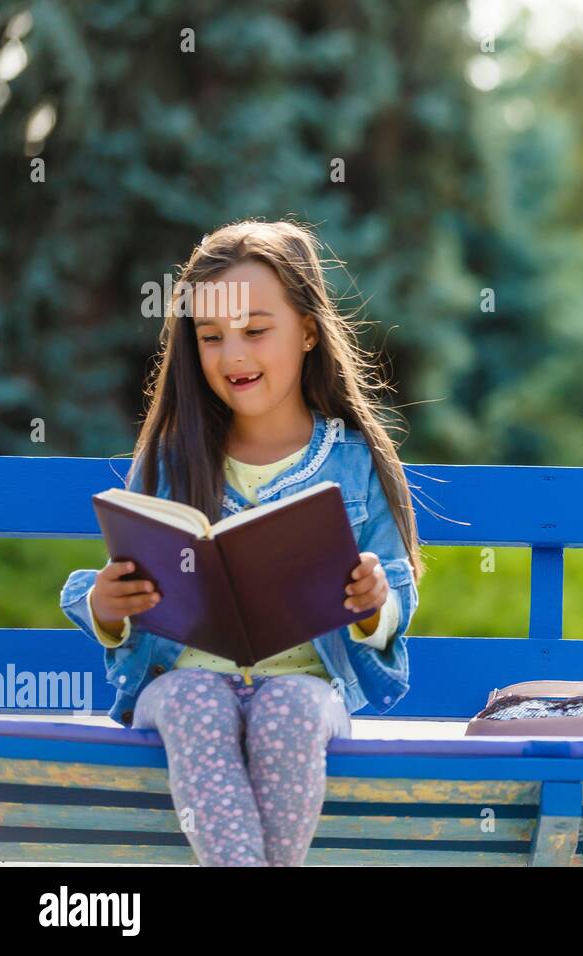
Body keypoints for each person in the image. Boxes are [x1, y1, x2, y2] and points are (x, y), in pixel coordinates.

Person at [59, 219, 423, 865]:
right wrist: (107, 610)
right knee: (198, 701)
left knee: (290, 706)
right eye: (211, 337)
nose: (234, 356)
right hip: (183, 688)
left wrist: (372, 604)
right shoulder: (171, 459)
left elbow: (395, 587)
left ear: (308, 330)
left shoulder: (353, 458)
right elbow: (125, 586)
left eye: (256, 331)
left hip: (308, 692)